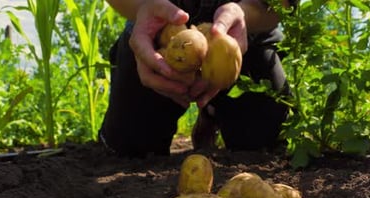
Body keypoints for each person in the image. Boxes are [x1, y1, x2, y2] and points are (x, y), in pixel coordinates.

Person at [100, 0, 292, 157]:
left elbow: (281, 5)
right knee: (128, 147)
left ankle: (212, 111)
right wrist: (141, 8)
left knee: (264, 142)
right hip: (156, 34)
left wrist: (244, 14)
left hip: (246, 33)